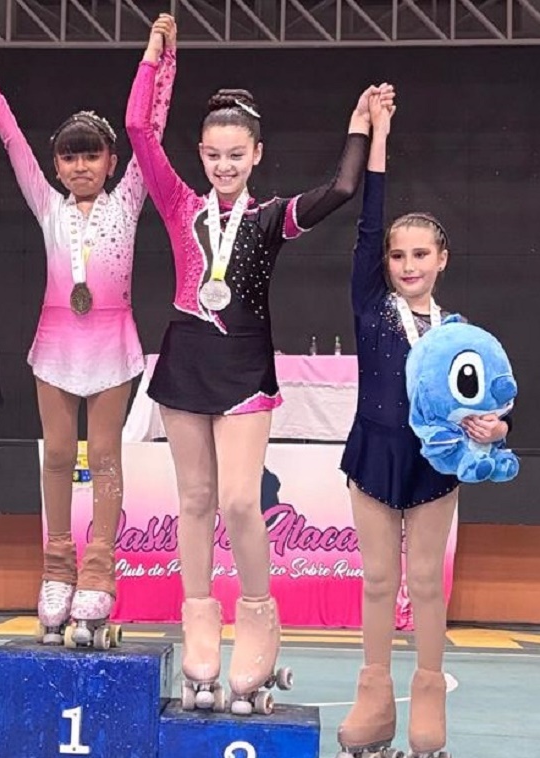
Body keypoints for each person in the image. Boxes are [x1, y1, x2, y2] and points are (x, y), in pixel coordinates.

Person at [127, 36, 392, 713]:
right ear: (201, 155)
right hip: (185, 360)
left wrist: (358, 127)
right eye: (214, 155)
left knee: (241, 501)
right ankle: (197, 617)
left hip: (245, 365)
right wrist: (156, 59)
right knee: (194, 500)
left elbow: (341, 189)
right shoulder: (179, 205)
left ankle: (256, 613)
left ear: (257, 155)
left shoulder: (271, 217)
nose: (224, 166)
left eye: (236, 155)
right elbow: (137, 128)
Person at [0, 22, 176, 648]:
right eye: (69, 157)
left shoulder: (130, 198)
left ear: (112, 162)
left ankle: (99, 569)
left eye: (91, 156)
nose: (80, 166)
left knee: (105, 457)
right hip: (56, 346)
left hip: (111, 345)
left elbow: (151, 127)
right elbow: (9, 134)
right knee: (57, 456)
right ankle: (57, 566)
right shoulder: (46, 202)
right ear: (55, 165)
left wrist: (159, 61)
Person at [336, 91, 509, 758]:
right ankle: (374, 701)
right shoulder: (370, 306)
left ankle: (428, 705)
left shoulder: (459, 335)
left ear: (442, 259)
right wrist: (377, 135)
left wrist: (496, 425)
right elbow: (368, 222)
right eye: (398, 255)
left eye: (420, 254)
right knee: (379, 581)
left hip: (434, 464)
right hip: (373, 455)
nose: (407, 264)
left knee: (426, 584)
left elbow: (492, 398)